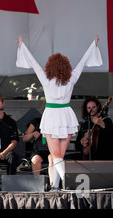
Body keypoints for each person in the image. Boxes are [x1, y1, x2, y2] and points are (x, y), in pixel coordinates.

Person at [16, 34, 102, 190]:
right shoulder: (72, 78)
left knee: (55, 155)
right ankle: (56, 186)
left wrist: (22, 47)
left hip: (52, 117)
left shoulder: (45, 78)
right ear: (66, 66)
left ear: (50, 66)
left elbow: (34, 63)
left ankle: (67, 182)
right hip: (66, 116)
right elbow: (82, 62)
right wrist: (93, 45)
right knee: (59, 156)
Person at [23, 117, 54, 184]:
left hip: (52, 149)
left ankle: (53, 184)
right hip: (39, 150)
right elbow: (25, 138)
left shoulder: (57, 121)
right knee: (35, 159)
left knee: (52, 159)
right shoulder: (36, 121)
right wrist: (33, 134)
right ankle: (37, 183)